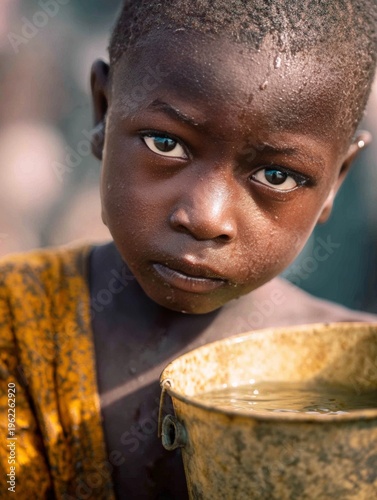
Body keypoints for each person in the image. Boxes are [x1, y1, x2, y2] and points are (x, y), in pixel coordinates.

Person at [1, 1, 377, 498]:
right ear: (103, 111)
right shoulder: (13, 321)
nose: (206, 218)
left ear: (336, 182)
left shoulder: (360, 374)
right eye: (165, 143)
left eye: (276, 176)